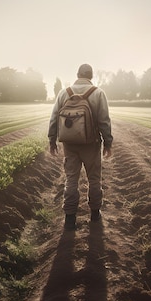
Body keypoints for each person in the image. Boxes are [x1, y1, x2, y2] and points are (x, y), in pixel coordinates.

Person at [48, 63, 113, 230]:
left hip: (69, 144)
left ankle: (70, 219)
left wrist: (52, 140)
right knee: (94, 179)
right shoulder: (98, 93)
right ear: (91, 76)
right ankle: (95, 215)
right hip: (91, 144)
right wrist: (108, 143)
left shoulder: (64, 92)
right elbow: (104, 121)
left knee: (71, 180)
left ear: (77, 74)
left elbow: (54, 117)